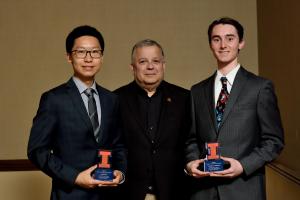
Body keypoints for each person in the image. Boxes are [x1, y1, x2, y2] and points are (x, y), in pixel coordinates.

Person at [185, 17, 284, 200]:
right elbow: (191, 139)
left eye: (230, 38)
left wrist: (243, 165)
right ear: (210, 45)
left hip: (244, 190)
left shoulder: (260, 87)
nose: (223, 45)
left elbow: (274, 141)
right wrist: (191, 163)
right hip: (203, 192)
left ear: (241, 43)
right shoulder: (197, 91)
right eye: (217, 39)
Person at [27, 25, 127, 200]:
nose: (89, 58)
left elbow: (119, 145)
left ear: (101, 57)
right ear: (69, 57)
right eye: (81, 52)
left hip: (108, 195)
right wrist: (75, 177)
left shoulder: (112, 99)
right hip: (69, 194)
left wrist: (119, 172)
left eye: (95, 52)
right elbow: (37, 150)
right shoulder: (54, 99)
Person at [114, 39, 190, 200]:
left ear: (163, 65)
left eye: (156, 61)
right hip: (128, 193)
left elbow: (191, 143)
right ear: (132, 67)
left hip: (174, 193)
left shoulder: (184, 98)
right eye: (143, 61)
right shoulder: (115, 99)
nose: (150, 66)